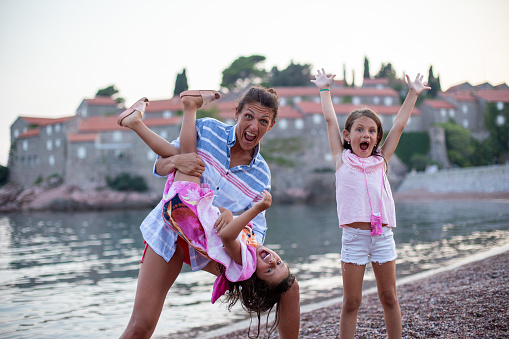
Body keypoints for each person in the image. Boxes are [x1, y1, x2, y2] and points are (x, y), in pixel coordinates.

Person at [118, 87, 300, 338]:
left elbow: (255, 231)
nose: (254, 126)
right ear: (236, 113)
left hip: (213, 244)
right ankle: (181, 109)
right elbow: (161, 164)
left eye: (263, 121)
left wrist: (231, 218)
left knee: (288, 286)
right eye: (248, 116)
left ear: (271, 126)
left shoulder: (261, 175)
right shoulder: (207, 129)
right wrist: (176, 162)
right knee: (141, 326)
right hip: (174, 226)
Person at [311, 68, 430, 339]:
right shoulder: (341, 160)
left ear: (377, 138)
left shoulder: (381, 161)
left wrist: (412, 93)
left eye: (372, 131)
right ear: (347, 135)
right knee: (351, 302)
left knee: (389, 296)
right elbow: (330, 120)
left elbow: (399, 125)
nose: (366, 134)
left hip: (382, 237)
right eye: (359, 130)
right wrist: (324, 89)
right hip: (353, 238)